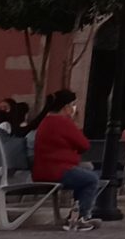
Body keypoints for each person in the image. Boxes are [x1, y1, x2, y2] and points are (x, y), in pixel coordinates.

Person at [30, 88, 103, 230]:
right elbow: (84, 145)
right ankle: (82, 217)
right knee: (92, 179)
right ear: (66, 107)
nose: (74, 108)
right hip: (57, 170)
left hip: (44, 169)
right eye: (73, 104)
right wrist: (74, 123)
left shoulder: (46, 122)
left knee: (86, 175)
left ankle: (74, 217)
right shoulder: (62, 122)